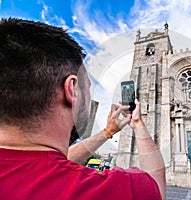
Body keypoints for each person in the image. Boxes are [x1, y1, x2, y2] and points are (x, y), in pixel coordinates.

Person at [0, 18, 165, 200]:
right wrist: (139, 124)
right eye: (87, 87)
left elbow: (49, 161)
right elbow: (156, 185)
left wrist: (108, 132)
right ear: (72, 90)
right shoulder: (111, 190)